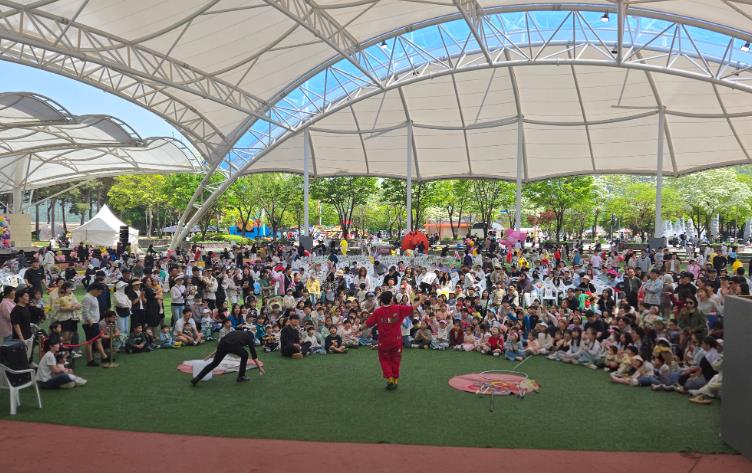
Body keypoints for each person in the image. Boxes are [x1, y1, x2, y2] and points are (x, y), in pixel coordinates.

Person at [364, 291, 424, 390]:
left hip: (383, 342)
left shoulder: (378, 312)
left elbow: (367, 324)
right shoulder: (398, 308)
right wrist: (420, 300)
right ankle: (395, 380)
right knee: (396, 360)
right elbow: (412, 308)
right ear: (391, 299)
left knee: (384, 360)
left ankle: (390, 379)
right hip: (396, 340)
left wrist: (358, 329)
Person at [191, 328, 265, 385]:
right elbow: (254, 355)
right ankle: (241, 376)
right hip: (233, 346)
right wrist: (260, 367)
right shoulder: (249, 338)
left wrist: (211, 355)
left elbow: (224, 341)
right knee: (245, 354)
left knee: (214, 363)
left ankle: (197, 378)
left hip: (222, 344)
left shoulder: (237, 332)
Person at [81, 283, 109, 366]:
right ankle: (90, 360)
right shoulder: (87, 298)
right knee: (89, 342)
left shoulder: (94, 297)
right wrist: (89, 321)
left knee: (98, 340)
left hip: (95, 322)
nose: (100, 293)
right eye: (99, 291)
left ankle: (104, 357)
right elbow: (85, 311)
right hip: (90, 323)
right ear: (95, 289)